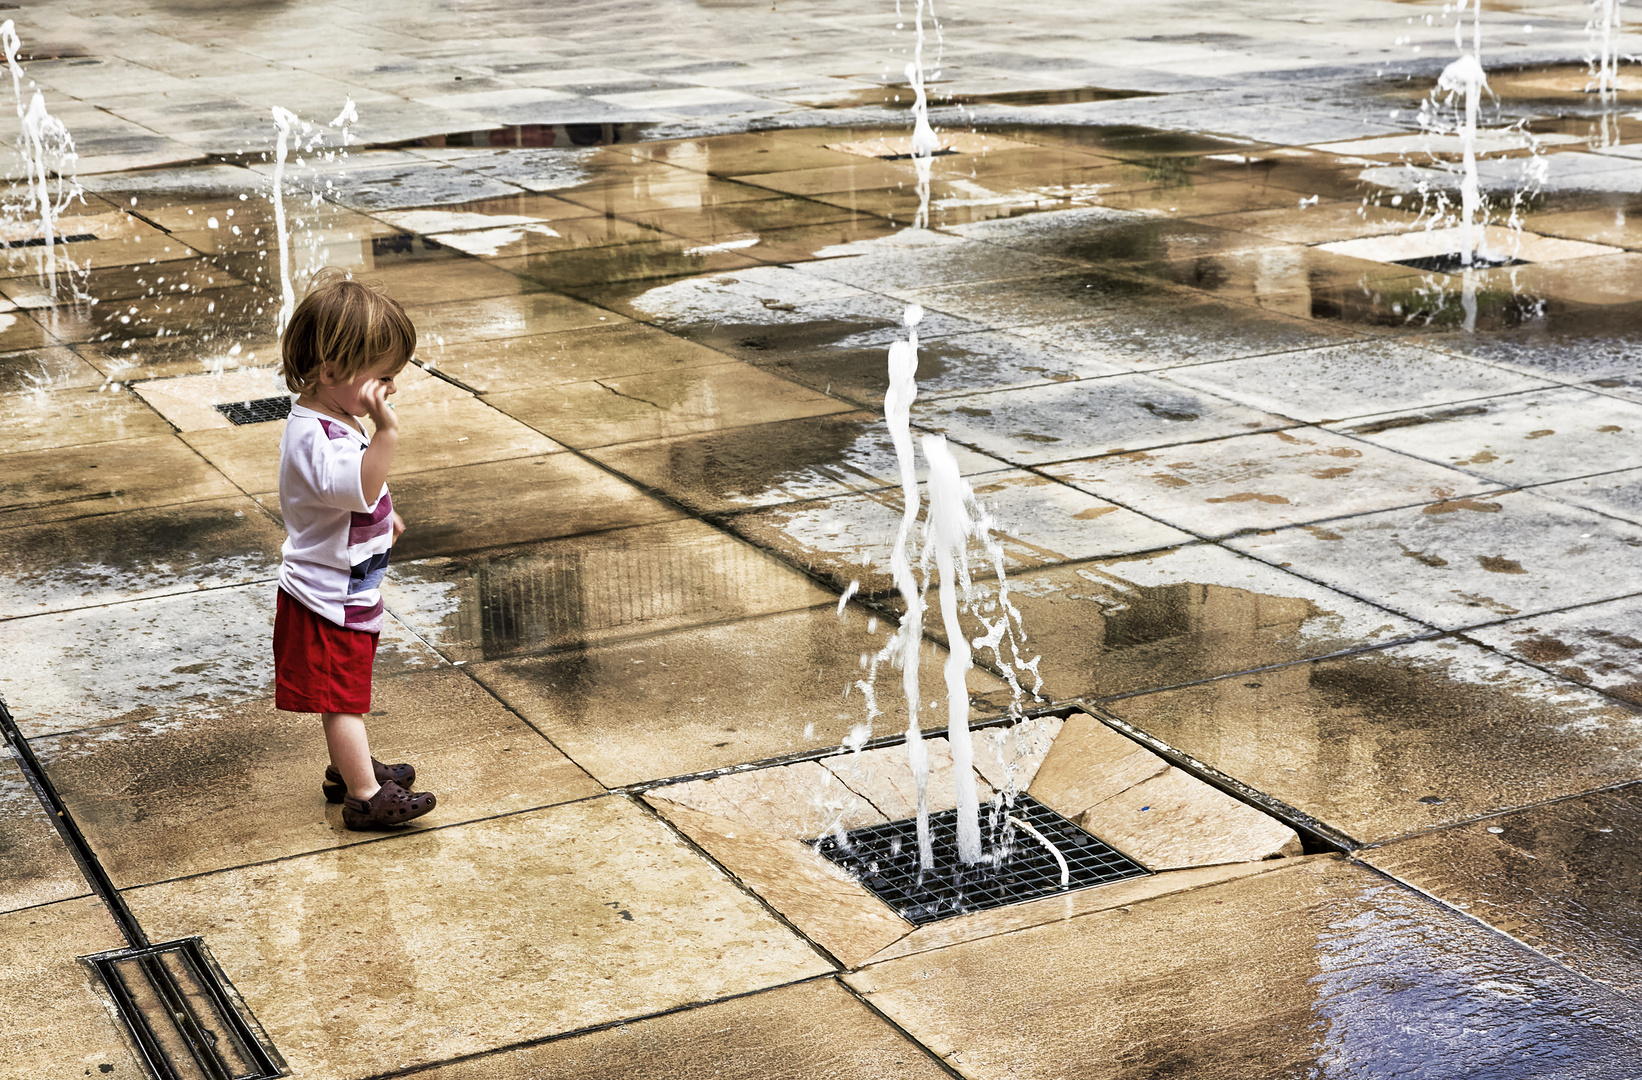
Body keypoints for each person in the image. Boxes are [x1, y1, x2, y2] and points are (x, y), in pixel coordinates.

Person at [272, 268, 436, 830]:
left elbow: (358, 497)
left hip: (337, 586)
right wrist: (387, 432)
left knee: (345, 693)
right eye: (383, 376)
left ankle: (351, 766)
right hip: (327, 598)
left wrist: (383, 520)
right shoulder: (322, 436)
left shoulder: (329, 417)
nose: (391, 387)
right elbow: (360, 483)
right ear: (332, 370)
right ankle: (366, 797)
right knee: (343, 699)